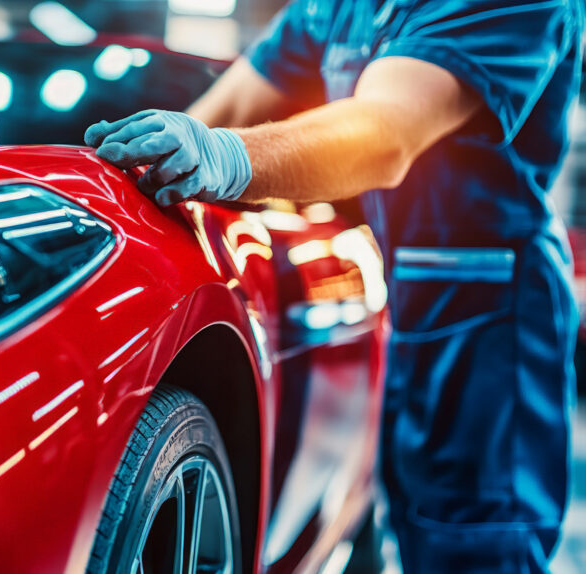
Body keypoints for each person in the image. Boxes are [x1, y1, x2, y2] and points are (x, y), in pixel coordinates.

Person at [83, 0, 582, 572]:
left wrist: (225, 154)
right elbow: (230, 104)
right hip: (414, 302)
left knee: (476, 542)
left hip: (494, 321)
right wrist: (132, 165)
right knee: (419, 529)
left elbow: (384, 134)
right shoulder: (338, 7)